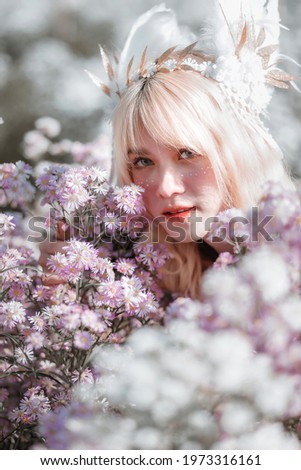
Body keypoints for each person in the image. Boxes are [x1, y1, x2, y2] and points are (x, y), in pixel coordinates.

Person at [39, 2, 296, 299]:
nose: (165, 187)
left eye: (187, 153)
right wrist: (79, 293)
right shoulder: (153, 284)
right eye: (143, 161)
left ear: (238, 151)